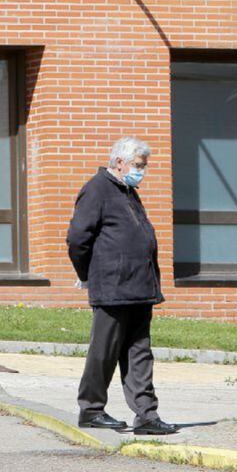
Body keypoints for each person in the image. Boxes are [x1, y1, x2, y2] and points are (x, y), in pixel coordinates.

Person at [65, 137, 178, 435]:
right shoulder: (97, 189)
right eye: (138, 166)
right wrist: (86, 273)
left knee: (140, 353)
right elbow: (78, 238)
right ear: (119, 163)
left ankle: (146, 415)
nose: (142, 171)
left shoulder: (128, 192)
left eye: (143, 166)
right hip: (113, 288)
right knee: (104, 351)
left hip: (140, 288)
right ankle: (90, 409)